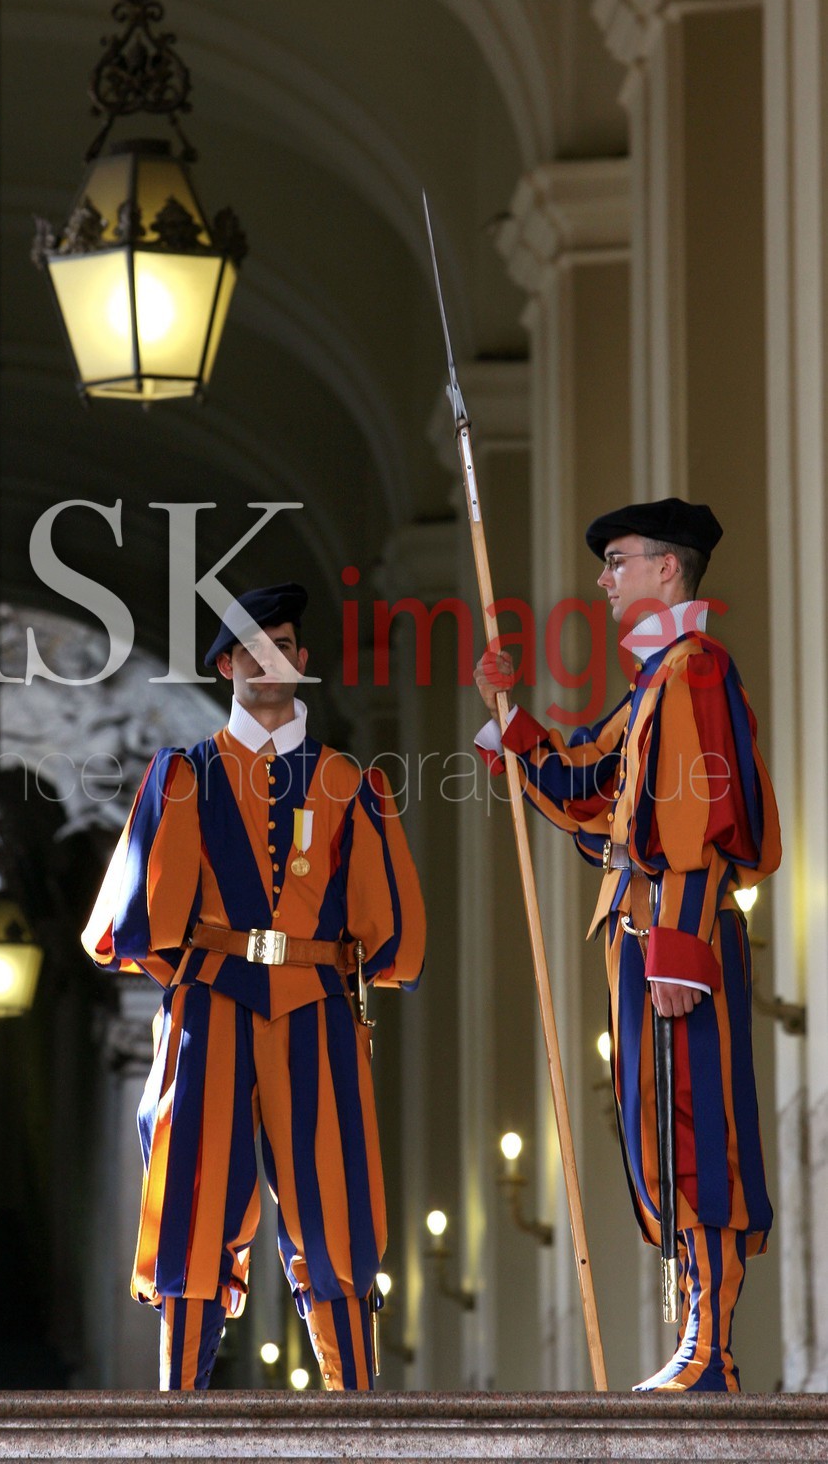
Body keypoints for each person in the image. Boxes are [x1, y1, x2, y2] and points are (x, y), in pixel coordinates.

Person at [82, 581, 426, 1391]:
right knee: (195, 1203)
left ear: (303, 661)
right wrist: (196, 981)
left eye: (284, 646)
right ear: (227, 665)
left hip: (317, 1008)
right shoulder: (182, 775)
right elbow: (135, 922)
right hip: (212, 1006)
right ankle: (180, 1410)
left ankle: (355, 1411)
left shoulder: (350, 782)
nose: (270, 661)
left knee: (336, 1205)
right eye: (251, 649)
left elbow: (390, 933)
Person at [474, 499, 780, 1393]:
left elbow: (702, 820)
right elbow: (590, 784)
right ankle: (696, 1339)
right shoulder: (655, 682)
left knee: (698, 1134)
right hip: (644, 937)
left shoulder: (695, 669)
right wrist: (509, 718)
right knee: (660, 1138)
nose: (604, 580)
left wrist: (679, 944)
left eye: (618, 561)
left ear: (666, 568)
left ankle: (711, 1348)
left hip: (677, 936)